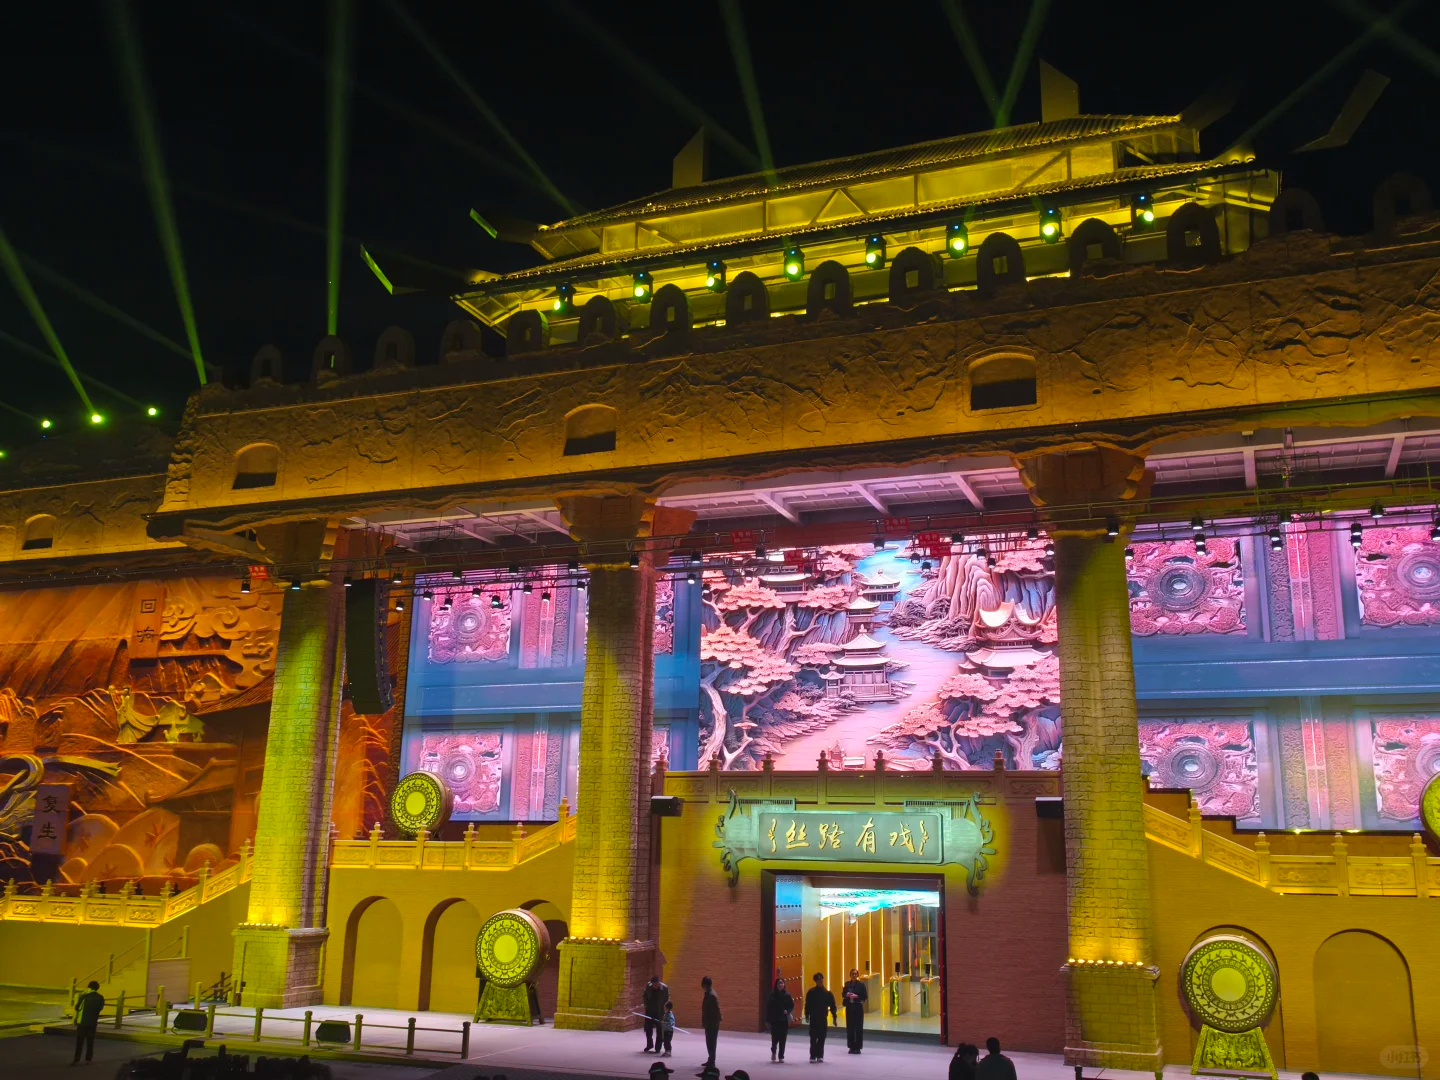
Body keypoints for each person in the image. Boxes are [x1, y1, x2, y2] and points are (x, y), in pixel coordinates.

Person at [803, 972, 836, 1063]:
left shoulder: (827, 993)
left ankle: (820, 1055)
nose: (820, 981)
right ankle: (813, 1055)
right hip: (814, 1017)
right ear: (816, 981)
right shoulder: (811, 992)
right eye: (818, 979)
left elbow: (832, 1006)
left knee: (822, 1037)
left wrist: (834, 1017)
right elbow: (807, 1005)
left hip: (823, 1017)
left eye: (821, 979)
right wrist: (807, 1015)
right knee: (813, 1037)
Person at [72, 980, 104, 1065]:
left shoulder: (84, 997)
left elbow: (77, 1008)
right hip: (93, 1022)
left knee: (80, 1042)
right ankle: (88, 1059)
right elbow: (101, 1008)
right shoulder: (100, 997)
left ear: (89, 988)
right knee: (90, 1042)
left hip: (83, 1022)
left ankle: (76, 1059)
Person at [766, 977, 794, 1062]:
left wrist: (787, 1011)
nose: (780, 985)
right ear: (776, 985)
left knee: (783, 1039)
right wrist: (767, 1020)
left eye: (782, 983)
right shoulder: (772, 995)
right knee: (774, 1038)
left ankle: (781, 1056)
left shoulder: (787, 995)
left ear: (784, 984)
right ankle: (774, 1051)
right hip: (774, 1020)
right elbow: (768, 1008)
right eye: (779, 983)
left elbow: (791, 1005)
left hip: (783, 1020)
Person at [841, 968, 868, 1054]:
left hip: (858, 1007)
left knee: (858, 1028)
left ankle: (858, 1047)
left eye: (856, 974)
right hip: (849, 1007)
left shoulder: (861, 985)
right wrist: (847, 995)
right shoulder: (847, 984)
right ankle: (851, 1046)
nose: (854, 975)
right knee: (850, 1027)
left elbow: (865, 996)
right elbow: (843, 994)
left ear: (857, 975)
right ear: (850, 975)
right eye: (852, 974)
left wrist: (857, 996)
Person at [643, 974, 670, 1053]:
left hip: (659, 1012)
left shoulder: (664, 988)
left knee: (659, 1030)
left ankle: (658, 1047)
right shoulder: (649, 986)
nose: (654, 986)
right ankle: (649, 1045)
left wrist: (665, 1010)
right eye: (653, 985)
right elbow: (644, 995)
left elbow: (667, 1000)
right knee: (648, 1029)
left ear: (659, 983)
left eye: (655, 985)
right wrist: (646, 1004)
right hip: (650, 1010)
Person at [700, 976, 722, 1070]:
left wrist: (716, 1021)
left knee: (712, 1043)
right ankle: (710, 1059)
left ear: (705, 985)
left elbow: (716, 1010)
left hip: (712, 1023)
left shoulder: (711, 995)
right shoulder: (708, 993)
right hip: (709, 1022)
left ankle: (712, 1061)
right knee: (709, 1042)